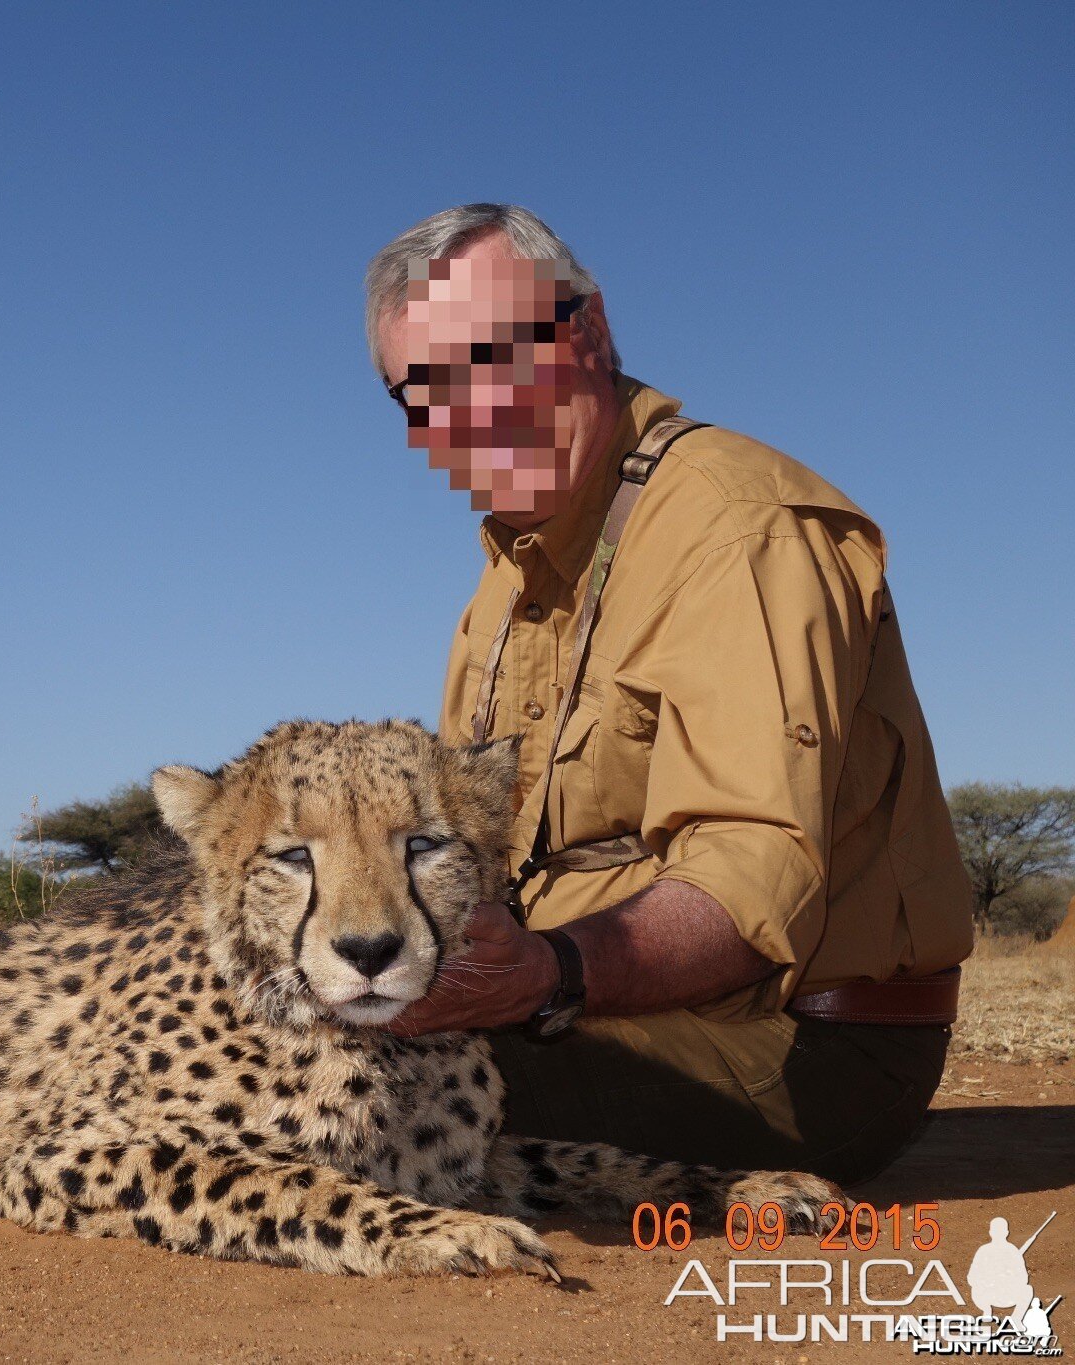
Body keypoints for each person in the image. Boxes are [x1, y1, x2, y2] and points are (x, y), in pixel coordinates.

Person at [362, 204, 972, 1183]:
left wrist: (546, 974)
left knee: (335, 1084)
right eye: (420, 393)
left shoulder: (734, 522)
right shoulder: (496, 593)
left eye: (490, 358)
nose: (463, 415)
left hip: (794, 1058)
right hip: (573, 1013)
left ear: (586, 333)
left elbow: (749, 872)